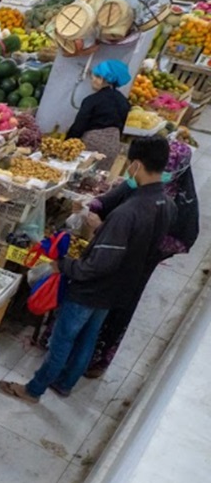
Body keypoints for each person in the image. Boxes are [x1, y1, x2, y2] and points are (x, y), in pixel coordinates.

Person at [0, 137, 175, 403]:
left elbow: (96, 265)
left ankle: (33, 390)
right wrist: (104, 231)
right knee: (88, 337)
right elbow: (138, 247)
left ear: (137, 165)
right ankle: (66, 383)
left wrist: (63, 265)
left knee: (63, 339)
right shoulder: (167, 205)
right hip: (118, 287)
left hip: (92, 288)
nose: (128, 171)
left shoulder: (128, 213)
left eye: (129, 165)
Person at [80, 140, 199, 377]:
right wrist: (90, 204)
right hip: (122, 257)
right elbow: (119, 193)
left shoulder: (167, 205)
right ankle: (79, 354)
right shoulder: (148, 181)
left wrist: (101, 228)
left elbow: (131, 245)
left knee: (117, 305)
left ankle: (95, 359)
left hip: (136, 263)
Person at [66, 60, 131, 172]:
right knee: (96, 178)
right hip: (112, 146)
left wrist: (67, 144)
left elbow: (79, 126)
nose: (93, 79)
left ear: (103, 79)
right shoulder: (124, 102)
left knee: (78, 174)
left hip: (92, 145)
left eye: (96, 76)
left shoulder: (92, 100)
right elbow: (121, 127)